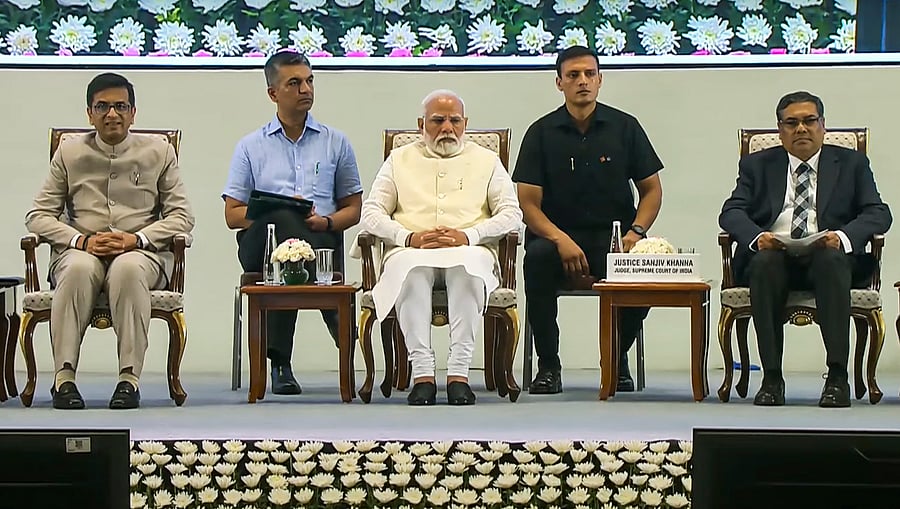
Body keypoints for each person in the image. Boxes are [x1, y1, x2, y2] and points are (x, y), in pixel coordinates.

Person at [25, 72, 195, 410]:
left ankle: (129, 380)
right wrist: (80, 241)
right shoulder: (69, 151)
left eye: (120, 106)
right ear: (90, 114)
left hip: (140, 253)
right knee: (77, 269)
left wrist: (136, 239)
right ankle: (63, 379)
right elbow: (38, 216)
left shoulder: (159, 151)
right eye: (102, 107)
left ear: (133, 113)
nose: (112, 114)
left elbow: (182, 217)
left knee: (127, 269)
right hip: (80, 250)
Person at [719, 91, 892, 408]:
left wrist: (843, 237)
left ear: (823, 126)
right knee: (765, 262)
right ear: (780, 130)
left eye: (809, 121)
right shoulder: (757, 165)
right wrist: (758, 238)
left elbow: (878, 213)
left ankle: (837, 378)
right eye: (792, 123)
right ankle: (772, 379)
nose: (801, 128)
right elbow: (731, 212)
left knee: (830, 259)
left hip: (828, 258)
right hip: (775, 256)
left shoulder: (851, 163)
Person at [513, 46, 664, 395]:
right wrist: (559, 240)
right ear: (559, 83)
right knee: (536, 261)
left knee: (645, 270)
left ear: (600, 79)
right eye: (573, 75)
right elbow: (528, 203)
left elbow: (652, 190)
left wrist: (636, 233)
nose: (582, 81)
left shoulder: (625, 127)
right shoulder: (540, 132)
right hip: (554, 239)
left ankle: (615, 357)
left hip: (614, 239)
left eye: (589, 74)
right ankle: (548, 366)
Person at [361, 89, 522, 406]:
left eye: (454, 121)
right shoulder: (399, 159)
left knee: (466, 269)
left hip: (468, 249)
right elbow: (371, 213)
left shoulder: (487, 161)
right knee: (411, 271)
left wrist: (470, 235)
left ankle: (459, 374)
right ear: (421, 124)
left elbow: (512, 214)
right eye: (437, 121)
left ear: (465, 124)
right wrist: (407, 237)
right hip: (411, 250)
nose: (447, 128)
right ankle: (422, 375)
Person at [222, 50, 363, 396]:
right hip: (262, 246)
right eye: (295, 83)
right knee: (283, 220)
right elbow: (232, 215)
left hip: (321, 240)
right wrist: (273, 210)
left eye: (310, 81)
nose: (306, 89)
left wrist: (325, 221)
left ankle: (280, 364)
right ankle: (335, 315)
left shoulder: (336, 142)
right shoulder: (250, 146)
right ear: (273, 93)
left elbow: (354, 209)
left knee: (292, 251)